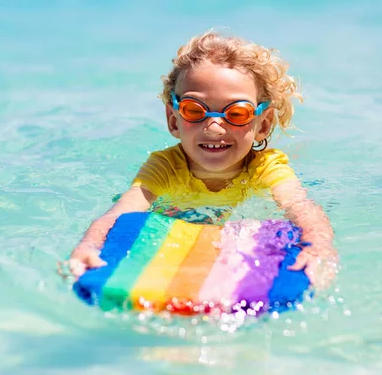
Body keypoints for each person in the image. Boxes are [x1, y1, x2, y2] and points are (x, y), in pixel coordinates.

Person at [67, 30, 338, 288]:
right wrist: (89, 244)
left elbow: (301, 207)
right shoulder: (165, 166)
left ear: (263, 125)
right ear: (173, 119)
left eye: (237, 113)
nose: (214, 127)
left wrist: (317, 246)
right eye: (194, 110)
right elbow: (121, 212)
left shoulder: (266, 167)